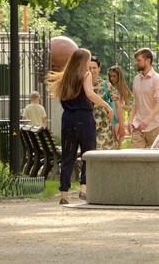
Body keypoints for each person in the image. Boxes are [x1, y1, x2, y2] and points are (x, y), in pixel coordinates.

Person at [47, 48, 114, 205]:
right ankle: (83, 189)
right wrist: (107, 106)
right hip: (84, 117)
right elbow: (90, 94)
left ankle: (64, 195)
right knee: (88, 154)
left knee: (67, 156)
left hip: (68, 118)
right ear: (84, 61)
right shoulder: (86, 74)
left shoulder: (66, 76)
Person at [127, 48, 159, 148]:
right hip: (138, 126)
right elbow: (136, 102)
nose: (136, 63)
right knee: (135, 159)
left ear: (148, 61)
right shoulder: (136, 79)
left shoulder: (158, 79)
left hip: (156, 126)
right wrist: (130, 121)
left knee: (158, 160)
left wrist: (148, 120)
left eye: (139, 60)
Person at [89, 56, 118, 150]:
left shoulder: (106, 85)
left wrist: (120, 126)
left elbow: (117, 106)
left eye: (94, 68)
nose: (92, 70)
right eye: (89, 68)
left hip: (104, 129)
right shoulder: (82, 87)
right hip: (88, 128)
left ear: (99, 69)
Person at [107, 65, 132, 146]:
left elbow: (128, 107)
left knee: (118, 144)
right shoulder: (107, 87)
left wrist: (119, 105)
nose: (112, 78)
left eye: (114, 76)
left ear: (119, 76)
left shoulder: (123, 89)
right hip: (108, 117)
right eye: (110, 76)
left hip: (118, 118)